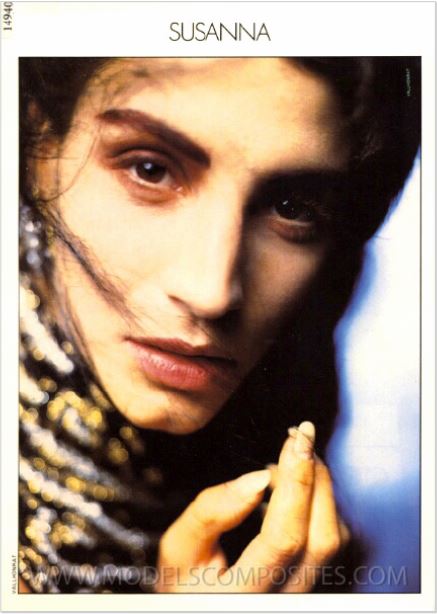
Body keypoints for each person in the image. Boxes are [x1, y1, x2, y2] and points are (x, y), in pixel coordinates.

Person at [18, 57, 420, 593]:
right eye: (150, 170)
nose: (212, 292)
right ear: (39, 148)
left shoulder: (284, 398)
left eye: (293, 206)